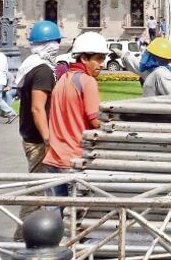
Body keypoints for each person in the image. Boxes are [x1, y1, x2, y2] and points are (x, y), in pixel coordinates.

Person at [14, 19, 62, 240]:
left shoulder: (32, 65)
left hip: (30, 135)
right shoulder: (42, 70)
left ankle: (35, 233)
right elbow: (37, 108)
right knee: (36, 189)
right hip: (38, 139)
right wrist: (48, 138)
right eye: (56, 43)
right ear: (50, 45)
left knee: (41, 188)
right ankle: (22, 237)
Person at [43, 32, 107, 198]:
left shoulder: (63, 79)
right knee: (75, 217)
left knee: (54, 216)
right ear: (84, 58)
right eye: (99, 58)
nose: (102, 64)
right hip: (75, 159)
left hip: (54, 158)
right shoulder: (87, 81)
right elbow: (95, 121)